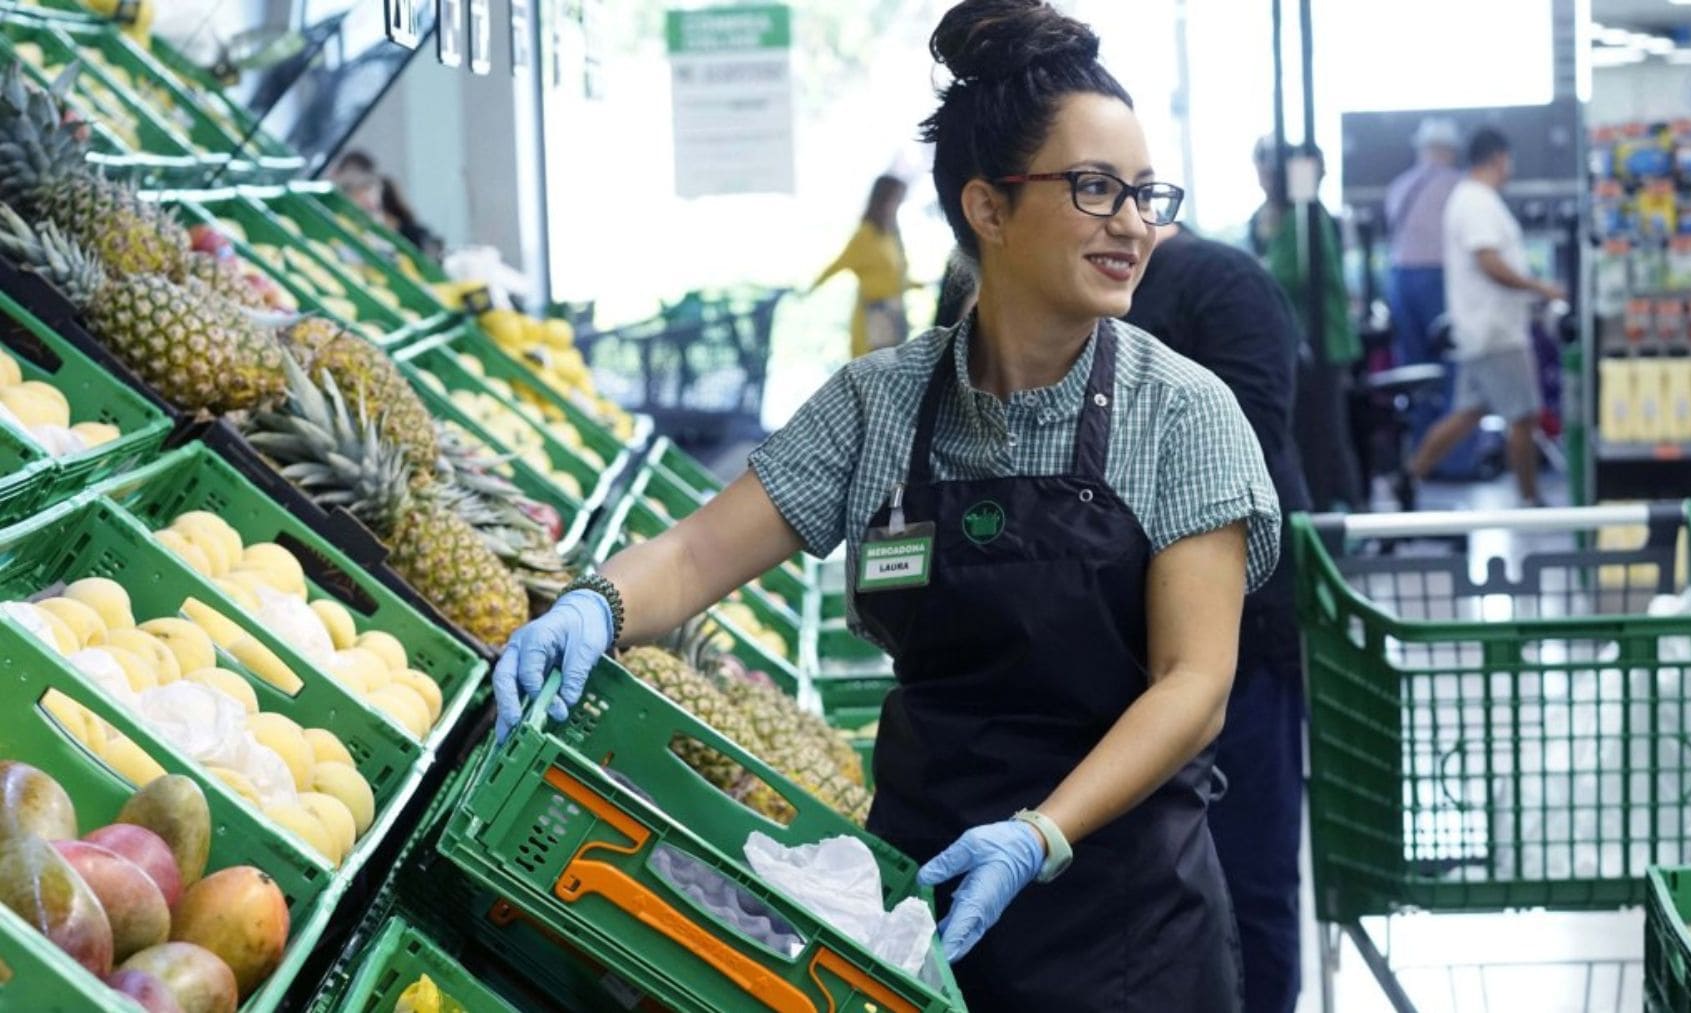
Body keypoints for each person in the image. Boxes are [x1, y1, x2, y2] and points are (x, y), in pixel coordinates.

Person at [491, 2, 1280, 1008]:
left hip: (1127, 932)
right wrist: (594, 603)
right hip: (912, 917)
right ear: (988, 208)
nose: (1132, 222)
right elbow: (695, 553)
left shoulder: (1182, 413)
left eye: (1144, 193)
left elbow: (1194, 683)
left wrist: (1042, 832)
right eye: (1094, 189)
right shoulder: (881, 406)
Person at [1121, 223, 1310, 1013]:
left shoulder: (1221, 284)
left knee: (1244, 875)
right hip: (1119, 647)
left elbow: (1249, 455)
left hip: (1242, 636)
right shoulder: (1043, 304)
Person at [1406, 127, 1563, 506]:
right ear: (1498, 158)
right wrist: (1539, 288)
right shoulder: (1475, 201)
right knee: (1524, 417)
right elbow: (1489, 261)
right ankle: (1531, 500)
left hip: (1483, 329)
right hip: (1495, 332)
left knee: (1468, 413)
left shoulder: (1474, 199)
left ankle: (1411, 474)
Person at [1251, 137, 1365, 512]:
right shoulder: (1279, 216)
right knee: (1321, 433)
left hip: (1324, 341)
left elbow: (1288, 275)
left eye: (1268, 169)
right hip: (1307, 342)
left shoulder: (1306, 217)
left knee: (1328, 434)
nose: (1262, 177)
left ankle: (1348, 517)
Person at [1383, 118, 1461, 369]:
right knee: (1449, 352)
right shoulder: (1457, 184)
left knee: (1411, 363)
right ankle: (1450, 410)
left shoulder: (1399, 186)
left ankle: (1417, 409)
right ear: (1448, 150)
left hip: (1399, 277)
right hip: (1436, 276)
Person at [813, 175, 913, 357]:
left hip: (894, 311)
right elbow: (838, 264)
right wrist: (809, 288)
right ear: (882, 199)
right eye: (895, 199)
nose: (897, 205)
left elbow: (896, 273)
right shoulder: (865, 235)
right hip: (874, 317)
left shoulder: (889, 234)